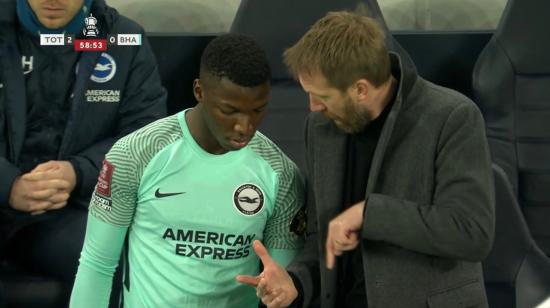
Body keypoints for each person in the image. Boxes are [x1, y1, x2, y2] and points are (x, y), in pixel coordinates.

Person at [236, 11, 495, 308]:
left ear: (360, 89)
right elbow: (322, 236)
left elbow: (471, 232)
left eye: (322, 96)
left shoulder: (451, 117)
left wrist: (369, 215)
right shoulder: (321, 128)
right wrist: (295, 282)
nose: (313, 107)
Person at [69, 33, 305, 307]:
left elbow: (281, 285)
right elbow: (97, 264)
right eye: (229, 110)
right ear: (199, 91)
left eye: (258, 110)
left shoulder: (282, 175)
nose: (245, 126)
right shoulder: (135, 155)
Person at [0, 0, 166, 305]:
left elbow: (147, 136)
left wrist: (79, 172)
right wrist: (9, 184)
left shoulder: (123, 39)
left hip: (69, 211)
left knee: (125, 263)